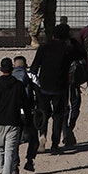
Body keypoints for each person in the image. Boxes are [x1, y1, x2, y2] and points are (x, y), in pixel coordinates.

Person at [31, 23, 76, 154]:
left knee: (43, 112)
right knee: (58, 116)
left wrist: (36, 85)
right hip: (60, 87)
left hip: (44, 86)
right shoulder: (67, 49)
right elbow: (81, 53)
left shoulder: (44, 48)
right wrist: (72, 39)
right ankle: (55, 144)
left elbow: (34, 68)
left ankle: (42, 135)